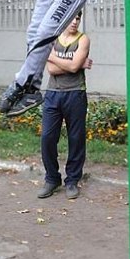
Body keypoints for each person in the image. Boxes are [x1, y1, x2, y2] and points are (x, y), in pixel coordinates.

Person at [37, 11, 92, 200]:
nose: (75, 21)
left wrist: (53, 56)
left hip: (75, 93)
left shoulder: (83, 40)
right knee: (47, 137)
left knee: (76, 138)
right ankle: (52, 178)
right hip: (53, 93)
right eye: (72, 18)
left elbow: (74, 67)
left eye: (78, 18)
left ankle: (72, 180)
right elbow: (52, 69)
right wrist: (75, 63)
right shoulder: (54, 38)